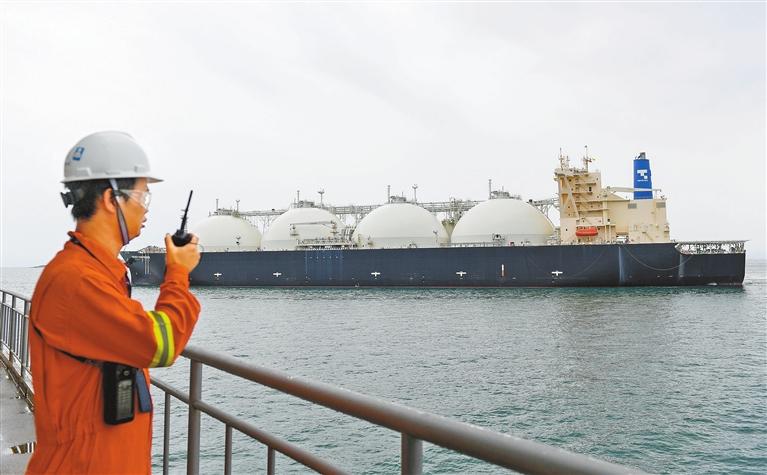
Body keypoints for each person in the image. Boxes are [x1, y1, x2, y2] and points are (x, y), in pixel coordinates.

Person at [26, 131, 201, 474]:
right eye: (142, 196)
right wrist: (178, 273)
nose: (146, 207)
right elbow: (161, 344)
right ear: (110, 199)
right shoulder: (77, 281)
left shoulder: (96, 271)